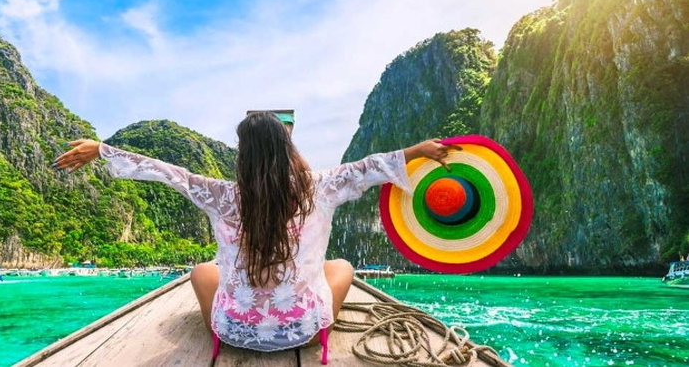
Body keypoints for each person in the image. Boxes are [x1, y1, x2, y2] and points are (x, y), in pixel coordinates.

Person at [52, 111, 457, 363]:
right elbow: (369, 167)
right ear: (288, 149)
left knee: (202, 271)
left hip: (234, 330)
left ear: (243, 155)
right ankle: (308, 324)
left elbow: (169, 173)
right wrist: (418, 150)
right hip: (303, 330)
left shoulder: (222, 195)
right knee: (342, 267)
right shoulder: (319, 187)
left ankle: (236, 322)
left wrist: (103, 150)